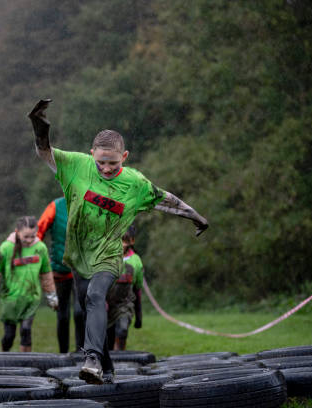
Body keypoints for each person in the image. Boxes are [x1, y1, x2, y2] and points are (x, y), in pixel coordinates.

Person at [27, 99, 208, 384]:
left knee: (95, 297)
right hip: (79, 254)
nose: (107, 168)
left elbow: (165, 199)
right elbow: (45, 153)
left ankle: (92, 358)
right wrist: (39, 126)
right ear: (91, 155)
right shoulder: (77, 165)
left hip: (109, 254)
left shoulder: (135, 183)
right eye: (101, 162)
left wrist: (194, 216)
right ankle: (105, 370)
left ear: (124, 156)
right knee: (88, 307)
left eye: (113, 163)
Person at [0, 216, 59, 352]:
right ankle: (4, 359)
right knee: (9, 336)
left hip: (31, 298)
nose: (29, 240)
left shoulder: (40, 248)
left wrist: (52, 297)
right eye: (26, 237)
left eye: (33, 236)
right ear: (17, 232)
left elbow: (46, 274)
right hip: (11, 299)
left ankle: (26, 363)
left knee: (26, 330)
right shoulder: (6, 248)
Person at [37, 196, 85, 353]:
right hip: (60, 270)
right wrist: (40, 259)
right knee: (63, 316)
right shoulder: (55, 206)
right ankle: (63, 353)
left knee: (80, 312)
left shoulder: (90, 203)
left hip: (83, 269)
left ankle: (81, 352)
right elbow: (38, 233)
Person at [106, 223, 144, 351]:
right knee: (107, 338)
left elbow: (137, 290)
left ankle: (120, 356)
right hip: (105, 306)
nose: (121, 245)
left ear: (132, 241)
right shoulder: (105, 258)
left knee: (122, 330)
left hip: (124, 305)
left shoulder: (136, 261)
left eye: (125, 240)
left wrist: (139, 316)